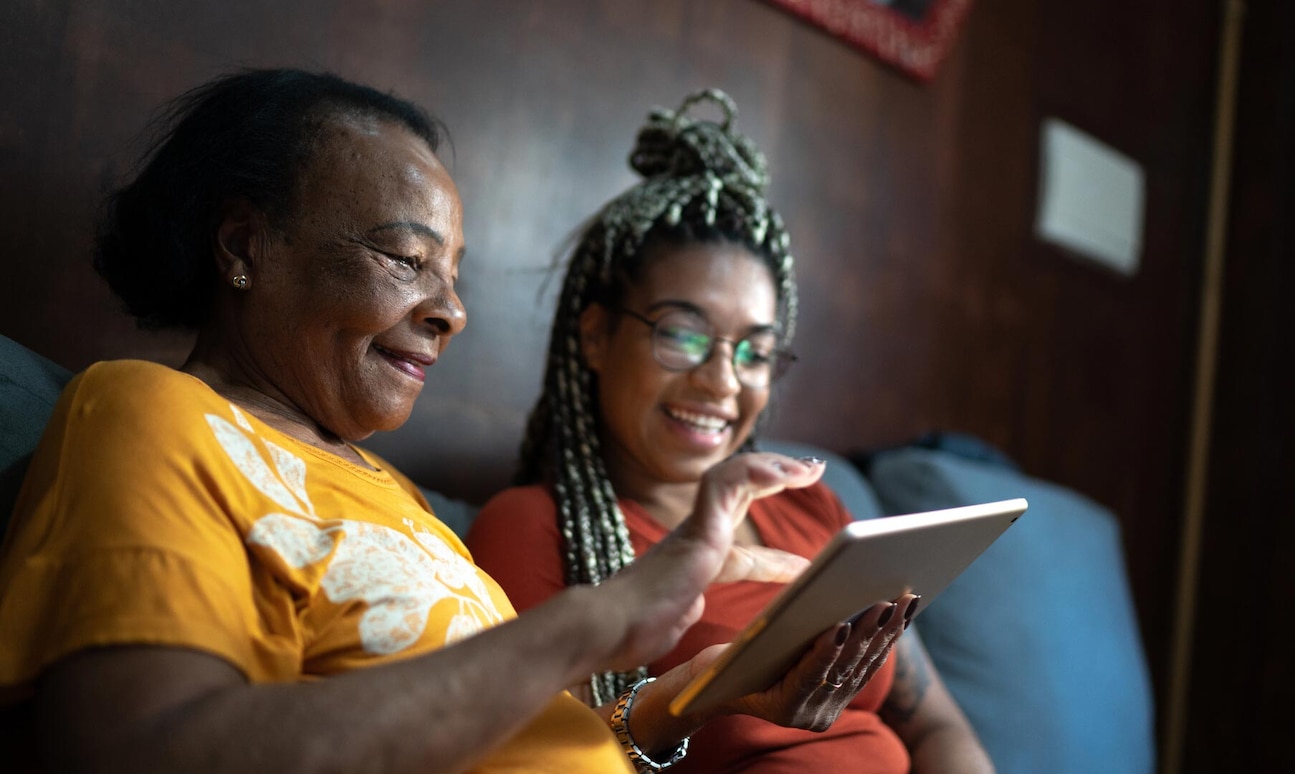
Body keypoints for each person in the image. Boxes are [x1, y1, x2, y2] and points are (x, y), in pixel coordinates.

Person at [0, 69, 883, 773]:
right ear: (246, 247)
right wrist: (604, 618)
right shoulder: (148, 412)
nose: (451, 311)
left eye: (453, 274)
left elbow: (522, 739)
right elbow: (138, 748)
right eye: (405, 259)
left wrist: (685, 697)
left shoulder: (392, 495)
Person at [465, 90, 995, 773]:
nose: (722, 380)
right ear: (595, 335)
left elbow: (939, 726)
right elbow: (541, 761)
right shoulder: (534, 527)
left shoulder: (813, 510)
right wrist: (694, 696)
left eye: (755, 350)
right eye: (682, 335)